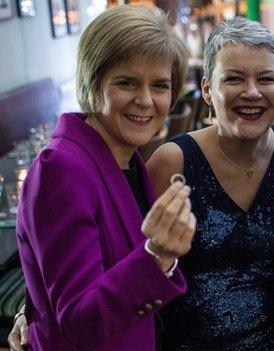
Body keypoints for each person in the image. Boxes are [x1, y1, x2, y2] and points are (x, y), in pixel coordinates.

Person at [9, 5, 195, 350]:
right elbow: (80, 320)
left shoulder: (129, 160)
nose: (145, 100)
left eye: (160, 85)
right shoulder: (61, 168)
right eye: (126, 83)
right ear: (94, 83)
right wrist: (158, 256)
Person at [146, 17, 274, 349]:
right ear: (207, 89)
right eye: (234, 78)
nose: (252, 92)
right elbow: (123, 256)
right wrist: (31, 308)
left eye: (266, 79)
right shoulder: (172, 161)